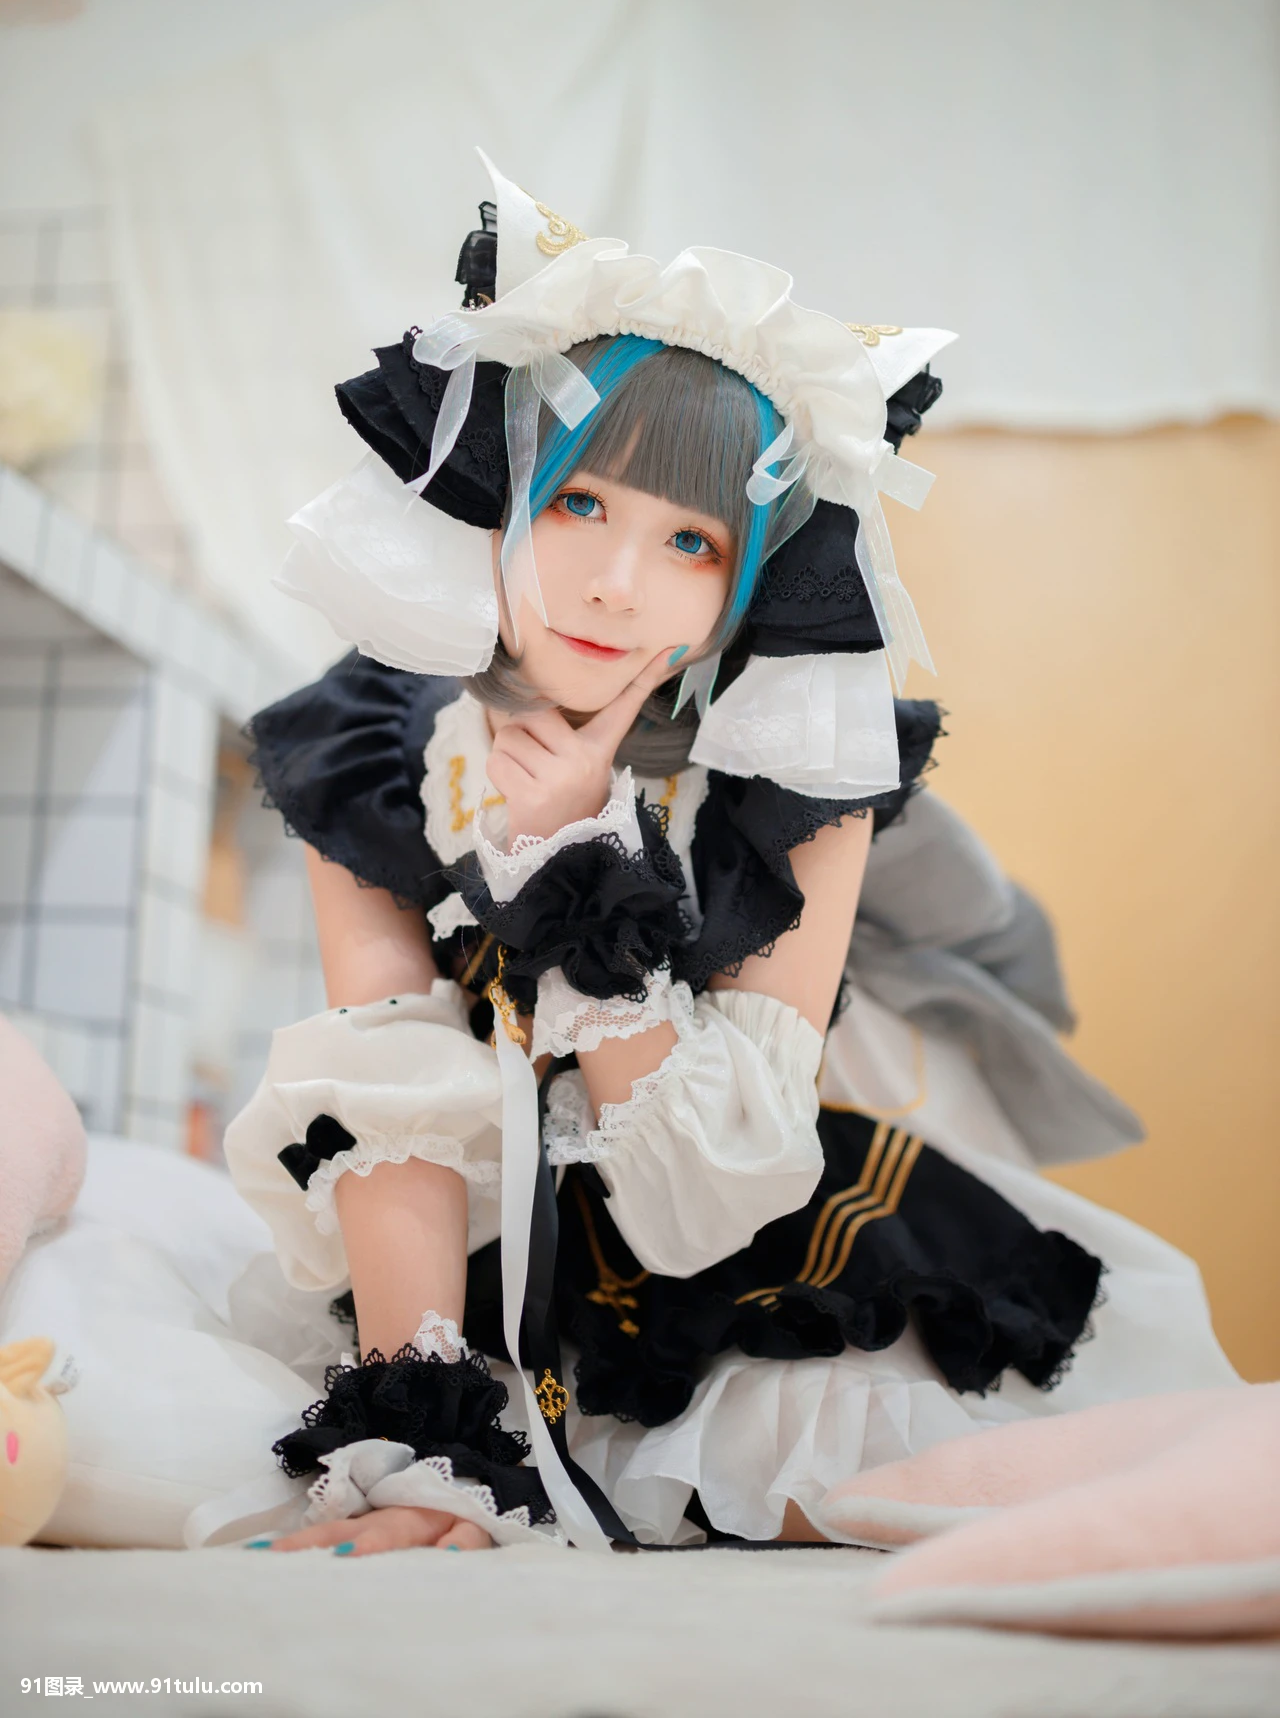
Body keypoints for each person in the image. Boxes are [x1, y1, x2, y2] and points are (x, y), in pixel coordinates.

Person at [223, 157, 1235, 1555]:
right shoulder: (373, 745)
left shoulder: (789, 788)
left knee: (921, 1474)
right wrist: (423, 1435)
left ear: (751, 578)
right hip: (471, 1259)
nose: (616, 585)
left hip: (740, 1218)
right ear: (504, 495)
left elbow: (713, 1199)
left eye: (691, 540)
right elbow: (390, 1086)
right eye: (579, 502)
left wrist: (576, 858)